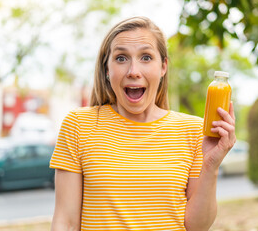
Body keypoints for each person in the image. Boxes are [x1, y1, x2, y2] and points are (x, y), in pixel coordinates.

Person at [50, 16, 236, 231]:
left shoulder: (194, 131)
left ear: (163, 67)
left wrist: (211, 167)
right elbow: (66, 222)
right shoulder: (78, 125)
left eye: (146, 57)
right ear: (107, 70)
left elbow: (197, 226)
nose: (133, 71)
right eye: (121, 58)